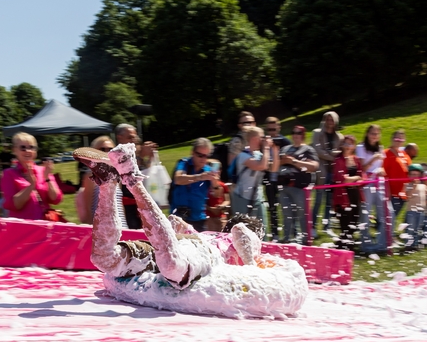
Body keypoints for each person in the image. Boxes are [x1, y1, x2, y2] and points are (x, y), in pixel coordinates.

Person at [73, 143, 307, 319]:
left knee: (104, 258)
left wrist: (178, 229)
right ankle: (131, 178)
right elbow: (241, 232)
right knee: (173, 267)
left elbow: (177, 225)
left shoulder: (208, 234)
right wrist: (252, 266)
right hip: (199, 252)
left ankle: (108, 183)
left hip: (182, 245)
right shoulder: (236, 235)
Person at [0, 132, 62, 220]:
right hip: (23, 228)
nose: (28, 151)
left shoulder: (43, 170)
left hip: (45, 225)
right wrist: (31, 186)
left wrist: (47, 178)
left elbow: (56, 200)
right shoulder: (8, 174)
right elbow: (14, 205)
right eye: (23, 148)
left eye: (31, 147)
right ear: (14, 150)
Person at [278, 126, 319, 244]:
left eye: (299, 133)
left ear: (303, 135)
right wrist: (282, 161)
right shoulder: (285, 148)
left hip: (300, 187)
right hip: (284, 187)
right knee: (287, 214)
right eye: (293, 132)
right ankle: (287, 241)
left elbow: (313, 167)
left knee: (303, 215)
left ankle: (306, 241)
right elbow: (275, 165)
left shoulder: (308, 150)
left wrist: (294, 161)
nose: (295, 135)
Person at [115, 123, 158, 229]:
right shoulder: (116, 153)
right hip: (127, 205)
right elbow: (125, 171)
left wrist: (151, 158)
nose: (133, 140)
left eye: (135, 137)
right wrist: (141, 156)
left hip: (141, 202)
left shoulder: (135, 152)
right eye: (130, 137)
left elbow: (145, 173)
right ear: (119, 138)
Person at [77, 136, 127, 227]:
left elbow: (119, 204)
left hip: (121, 226)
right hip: (103, 229)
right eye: (102, 149)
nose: (107, 152)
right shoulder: (90, 176)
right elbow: (88, 207)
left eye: (111, 149)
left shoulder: (116, 175)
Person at [170, 138, 218, 232]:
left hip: (198, 218)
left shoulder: (208, 170)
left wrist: (215, 183)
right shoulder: (184, 163)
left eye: (206, 156)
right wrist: (199, 177)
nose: (203, 159)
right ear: (192, 152)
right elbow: (178, 179)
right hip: (179, 217)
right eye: (200, 155)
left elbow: (217, 194)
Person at [230, 126, 272, 230]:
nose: (263, 140)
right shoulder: (243, 156)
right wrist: (266, 148)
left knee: (262, 230)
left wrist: (275, 149)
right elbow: (261, 166)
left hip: (257, 197)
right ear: (254, 139)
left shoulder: (259, 154)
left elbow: (272, 168)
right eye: (262, 138)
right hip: (242, 199)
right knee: (244, 231)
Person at [356, 125, 389, 254]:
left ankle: (382, 243)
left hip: (379, 183)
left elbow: (380, 167)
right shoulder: (361, 147)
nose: (374, 136)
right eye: (372, 133)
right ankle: (365, 244)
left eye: (377, 133)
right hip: (367, 183)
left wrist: (381, 170)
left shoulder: (380, 148)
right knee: (365, 214)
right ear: (367, 134)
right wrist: (374, 159)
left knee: (385, 213)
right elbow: (362, 168)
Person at [311, 111, 344, 237]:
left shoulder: (339, 136)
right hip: (321, 170)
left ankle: (327, 226)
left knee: (330, 201)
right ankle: (313, 226)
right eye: (328, 119)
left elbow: (340, 151)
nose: (330, 122)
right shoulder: (317, 133)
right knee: (318, 199)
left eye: (332, 120)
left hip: (333, 171)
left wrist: (335, 155)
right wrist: (331, 156)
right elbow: (317, 149)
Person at [332, 135, 365, 250]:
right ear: (342, 145)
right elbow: (342, 179)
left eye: (350, 144)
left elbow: (362, 178)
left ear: (354, 146)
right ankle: (345, 246)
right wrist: (356, 178)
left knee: (354, 219)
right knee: (345, 221)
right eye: (345, 143)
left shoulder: (356, 159)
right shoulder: (338, 160)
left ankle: (344, 244)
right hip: (343, 195)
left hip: (355, 194)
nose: (347, 146)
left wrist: (354, 178)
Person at [263, 117, 291, 240]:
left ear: (279, 127)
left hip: (283, 179)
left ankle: (289, 233)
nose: (272, 132)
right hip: (269, 179)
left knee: (287, 206)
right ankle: (274, 233)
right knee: (272, 207)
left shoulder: (285, 141)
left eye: (274, 129)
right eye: (269, 129)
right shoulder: (263, 143)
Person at [383, 130, 411, 217]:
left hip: (403, 193)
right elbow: (383, 173)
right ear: (392, 139)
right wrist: (388, 192)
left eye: (401, 139)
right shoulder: (385, 153)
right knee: (388, 218)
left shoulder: (404, 154)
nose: (399, 141)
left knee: (393, 218)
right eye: (397, 138)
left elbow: (409, 170)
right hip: (392, 193)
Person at [403, 164, 426, 251]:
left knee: (418, 228)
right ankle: (408, 245)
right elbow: (408, 196)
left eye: (416, 175)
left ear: (420, 175)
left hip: (421, 210)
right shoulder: (407, 185)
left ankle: (415, 244)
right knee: (411, 228)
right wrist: (414, 186)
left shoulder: (423, 186)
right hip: (411, 211)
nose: (414, 176)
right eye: (412, 174)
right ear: (409, 175)